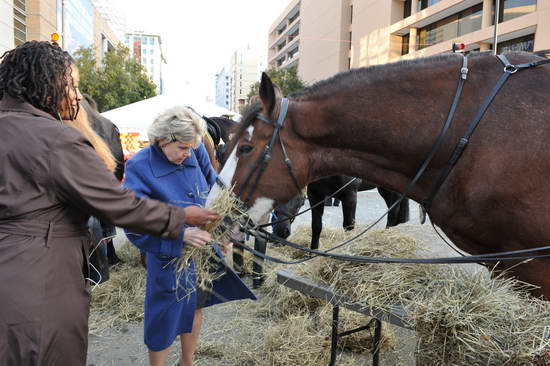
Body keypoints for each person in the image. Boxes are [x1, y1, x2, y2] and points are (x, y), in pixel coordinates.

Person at [0, 40, 219, 365]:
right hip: (40, 278)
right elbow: (119, 205)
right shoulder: (55, 139)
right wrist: (181, 218)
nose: (77, 96)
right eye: (72, 84)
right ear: (46, 82)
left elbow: (211, 183)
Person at [123, 105, 255, 366]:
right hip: (168, 256)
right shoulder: (139, 166)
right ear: (163, 139)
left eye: (191, 147)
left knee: (195, 308)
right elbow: (133, 223)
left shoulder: (195, 152)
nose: (188, 153)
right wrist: (180, 235)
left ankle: (187, 362)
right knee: (163, 318)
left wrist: (223, 231)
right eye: (182, 148)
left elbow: (217, 193)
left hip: (203, 252)